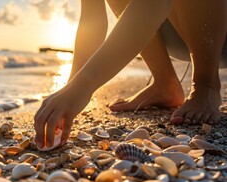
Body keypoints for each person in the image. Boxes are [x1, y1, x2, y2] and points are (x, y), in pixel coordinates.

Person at [34, 0, 227, 150]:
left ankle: (206, 84)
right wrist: (71, 90)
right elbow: (92, 20)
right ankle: (165, 83)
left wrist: (83, 85)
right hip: (178, 27)